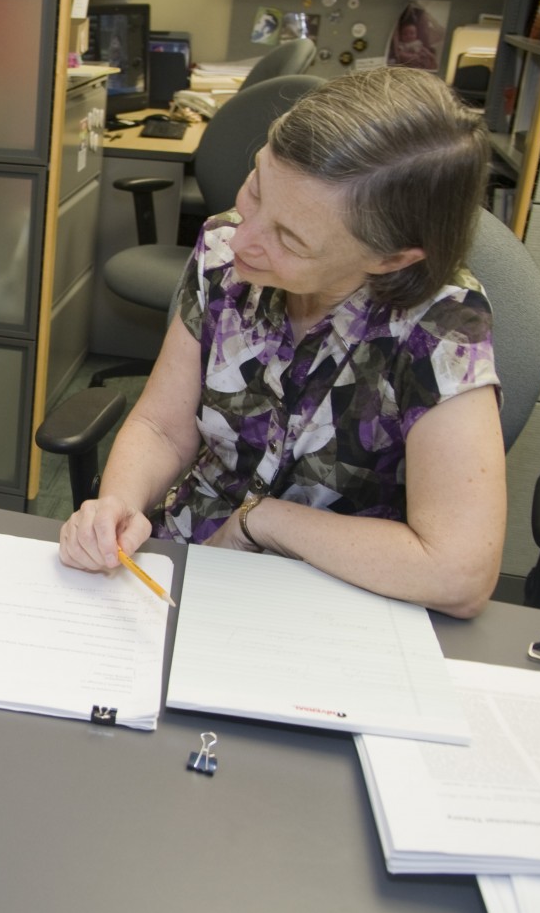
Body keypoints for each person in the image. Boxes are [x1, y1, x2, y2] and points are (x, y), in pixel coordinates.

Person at [59, 67, 503, 618]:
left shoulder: (441, 326)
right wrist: (119, 503)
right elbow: (160, 426)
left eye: (290, 238)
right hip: (192, 563)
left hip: (338, 594)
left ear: (390, 259)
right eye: (256, 187)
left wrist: (259, 521)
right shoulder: (226, 246)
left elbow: (458, 572)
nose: (241, 238)